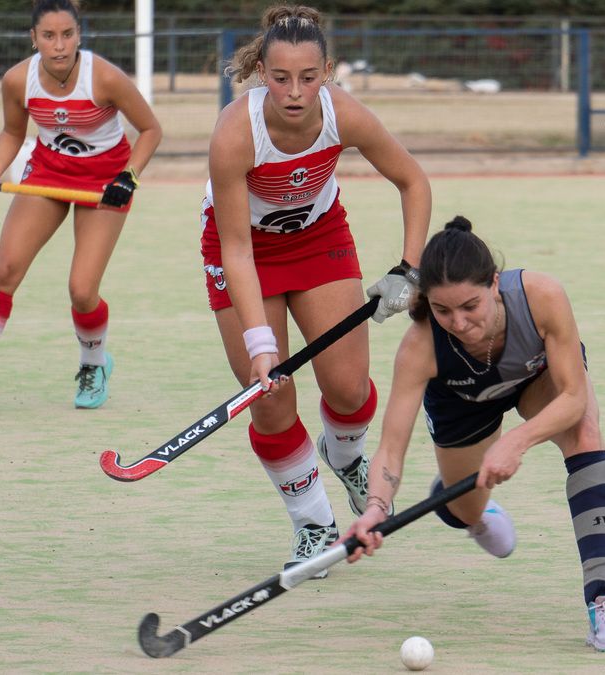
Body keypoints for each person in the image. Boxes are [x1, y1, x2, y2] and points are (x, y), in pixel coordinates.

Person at [200, 5, 430, 575]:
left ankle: (345, 456)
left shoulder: (342, 113)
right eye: (281, 78)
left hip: (318, 239)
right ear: (261, 73)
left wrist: (408, 269)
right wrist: (261, 345)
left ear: (328, 71)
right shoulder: (235, 132)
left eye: (308, 77)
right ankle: (313, 525)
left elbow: (413, 180)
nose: (295, 92)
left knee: (348, 390)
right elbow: (236, 250)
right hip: (243, 250)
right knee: (270, 397)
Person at [342, 216, 605, 653]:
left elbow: (574, 397)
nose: (459, 323)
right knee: (464, 507)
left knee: (584, 433)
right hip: (463, 401)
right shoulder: (421, 348)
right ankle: (467, 509)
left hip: (537, 379)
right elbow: (391, 446)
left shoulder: (541, 296)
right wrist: (375, 509)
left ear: (494, 284)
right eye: (443, 311)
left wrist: (516, 441)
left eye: (470, 306)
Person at [0, 0, 162, 413]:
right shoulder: (17, 80)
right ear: (33, 38)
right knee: (5, 270)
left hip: (103, 183)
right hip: (48, 175)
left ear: (79, 35)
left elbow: (150, 129)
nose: (59, 45)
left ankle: (94, 364)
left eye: (68, 35)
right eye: (49, 36)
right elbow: (11, 132)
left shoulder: (104, 77)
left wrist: (128, 178)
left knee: (82, 291)